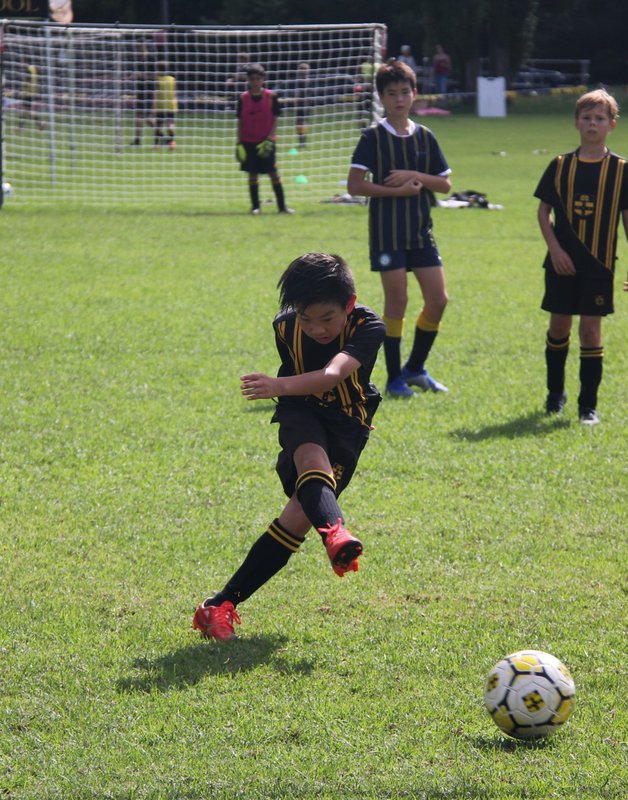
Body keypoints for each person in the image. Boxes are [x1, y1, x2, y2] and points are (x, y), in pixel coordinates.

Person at [192, 252, 384, 641]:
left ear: (349, 304)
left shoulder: (369, 325)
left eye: (327, 318)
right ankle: (334, 532)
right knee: (313, 461)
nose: (316, 329)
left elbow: (332, 375)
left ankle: (218, 606)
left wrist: (276, 386)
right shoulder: (285, 327)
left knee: (297, 515)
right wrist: (283, 392)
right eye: (306, 318)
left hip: (348, 423)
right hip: (301, 410)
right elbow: (304, 377)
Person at [533, 89, 628, 425]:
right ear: (576, 122)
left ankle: (588, 406)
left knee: (591, 333)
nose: (592, 123)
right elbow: (543, 212)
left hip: (598, 264)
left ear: (612, 124)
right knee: (559, 326)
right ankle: (555, 393)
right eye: (586, 117)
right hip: (561, 262)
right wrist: (555, 248)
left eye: (599, 118)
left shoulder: (621, 169)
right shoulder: (561, 165)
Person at [347, 60, 452, 399]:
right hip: (387, 233)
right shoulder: (372, 137)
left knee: (438, 300)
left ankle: (415, 368)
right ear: (381, 98)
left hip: (421, 231)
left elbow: (445, 184)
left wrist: (411, 175)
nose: (399, 99)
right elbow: (354, 185)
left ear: (415, 94)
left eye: (404, 92)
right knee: (398, 301)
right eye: (391, 94)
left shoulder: (425, 136)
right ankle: (394, 378)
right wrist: (395, 190)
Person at [235, 64, 292, 214]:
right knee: (252, 174)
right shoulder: (243, 98)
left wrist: (270, 138)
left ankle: (282, 207)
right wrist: (238, 142)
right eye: (252, 79)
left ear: (263, 80)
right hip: (248, 141)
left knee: (273, 173)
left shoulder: (271, 97)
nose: (255, 82)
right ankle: (255, 207)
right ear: (247, 80)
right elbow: (240, 121)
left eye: (258, 79)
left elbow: (275, 118)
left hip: (266, 142)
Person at [153, 61, 178, 148]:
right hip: (171, 104)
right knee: (170, 123)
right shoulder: (172, 79)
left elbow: (155, 94)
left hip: (161, 105)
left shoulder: (158, 80)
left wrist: (154, 106)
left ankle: (156, 145)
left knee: (158, 125)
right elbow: (174, 91)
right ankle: (172, 142)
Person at [291, 61, 313, 150]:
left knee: (302, 123)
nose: (301, 71)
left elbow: (308, 94)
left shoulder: (307, 81)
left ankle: (303, 142)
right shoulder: (299, 81)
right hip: (300, 104)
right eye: (300, 69)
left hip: (305, 105)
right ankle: (302, 142)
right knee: (299, 123)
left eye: (304, 69)